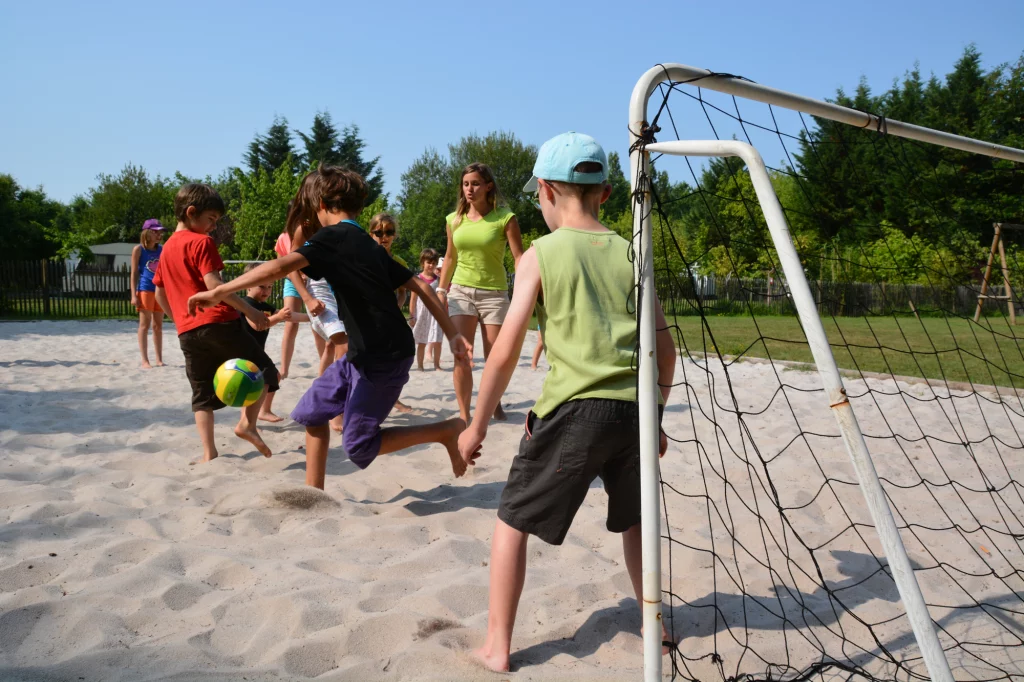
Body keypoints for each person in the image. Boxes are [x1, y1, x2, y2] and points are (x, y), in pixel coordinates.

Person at [456, 133, 677, 672]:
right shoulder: (633, 251)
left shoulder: (541, 253)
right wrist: (656, 415)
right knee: (637, 521)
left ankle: (497, 647)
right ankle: (656, 626)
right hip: (634, 411)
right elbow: (665, 349)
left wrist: (476, 424)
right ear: (605, 193)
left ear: (547, 191)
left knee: (512, 519)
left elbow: (505, 350)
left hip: (575, 410)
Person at [188, 166, 474, 490]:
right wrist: (452, 333)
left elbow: (279, 266)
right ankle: (315, 494)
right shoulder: (366, 243)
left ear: (321, 204)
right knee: (312, 414)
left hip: (384, 357)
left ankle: (445, 431)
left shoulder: (334, 237)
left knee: (358, 445)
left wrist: (220, 292)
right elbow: (420, 286)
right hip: (362, 353)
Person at [152, 183, 279, 463]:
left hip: (187, 332)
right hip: (220, 323)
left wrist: (179, 320)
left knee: (201, 394)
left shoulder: (166, 249)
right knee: (266, 371)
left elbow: (159, 292)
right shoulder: (201, 242)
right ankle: (247, 424)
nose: (213, 227)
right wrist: (251, 311)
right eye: (211, 219)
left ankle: (209, 453)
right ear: (191, 212)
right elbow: (215, 286)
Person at [436, 163, 524, 423]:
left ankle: (494, 404)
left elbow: (519, 258)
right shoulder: (453, 220)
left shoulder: (505, 218)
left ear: (488, 186)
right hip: (460, 291)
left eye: (475, 183)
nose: (469, 189)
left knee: (495, 358)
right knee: (461, 355)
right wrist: (441, 290)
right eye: (465, 184)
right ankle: (465, 415)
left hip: (494, 294)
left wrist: (524, 291)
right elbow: (450, 257)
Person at [369, 212, 414, 412]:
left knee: (394, 360)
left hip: (388, 319)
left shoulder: (399, 263)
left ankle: (392, 398)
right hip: (366, 318)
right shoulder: (364, 259)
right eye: (378, 232)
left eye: (389, 232)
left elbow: (403, 292)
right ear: (371, 234)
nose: (384, 237)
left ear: (395, 235)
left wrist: (395, 309)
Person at [130, 219, 166, 369]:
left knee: (158, 326)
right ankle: (145, 360)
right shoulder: (138, 250)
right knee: (144, 325)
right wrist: (133, 295)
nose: (159, 235)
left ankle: (159, 359)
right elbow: (134, 273)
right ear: (147, 232)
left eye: (160, 232)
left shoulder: (162, 250)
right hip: (145, 289)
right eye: (156, 232)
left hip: (160, 290)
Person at [408, 248, 444, 371]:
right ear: (422, 262)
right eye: (429, 262)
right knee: (422, 341)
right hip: (422, 314)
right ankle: (420, 365)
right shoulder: (417, 279)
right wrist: (412, 316)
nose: (431, 265)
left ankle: (437, 365)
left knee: (437, 340)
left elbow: (442, 296)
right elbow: (413, 299)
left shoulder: (438, 280)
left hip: (436, 314)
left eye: (434, 263)